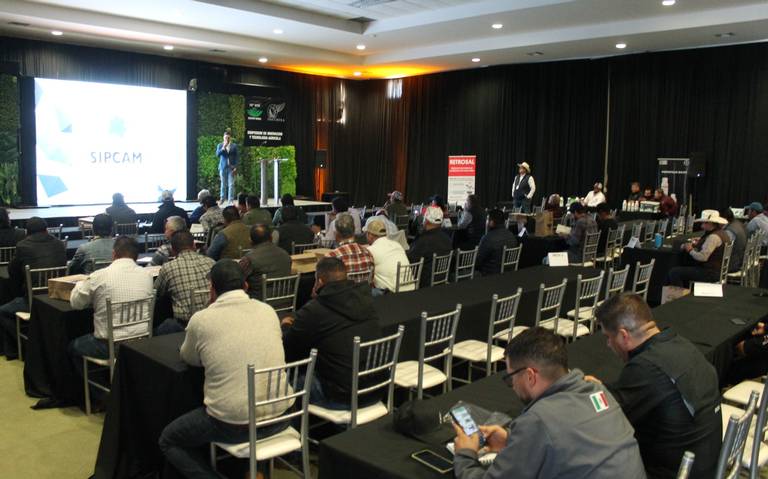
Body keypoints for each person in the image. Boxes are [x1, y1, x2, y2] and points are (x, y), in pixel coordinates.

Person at [452, 327, 646, 479]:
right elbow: (570, 439)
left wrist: (465, 454)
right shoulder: (597, 390)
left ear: (530, 376)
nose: (512, 386)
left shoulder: (538, 420)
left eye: (510, 378)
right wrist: (513, 440)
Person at [159, 260, 291, 478]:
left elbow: (189, 358)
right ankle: (253, 470)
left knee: (169, 440)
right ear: (246, 286)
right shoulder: (268, 311)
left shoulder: (202, 319)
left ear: (212, 289)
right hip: (281, 416)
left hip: (234, 425)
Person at [589, 293, 721, 478]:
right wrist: (603, 387)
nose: (608, 344)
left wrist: (592, 391)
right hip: (709, 463)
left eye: (609, 337)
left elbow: (608, 416)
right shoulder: (682, 344)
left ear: (624, 335)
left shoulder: (644, 367)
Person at [281, 257, 382, 408]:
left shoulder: (315, 309)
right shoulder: (366, 300)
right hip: (377, 388)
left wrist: (285, 327)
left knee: (287, 381)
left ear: (319, 282)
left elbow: (288, 348)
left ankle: (295, 423)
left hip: (343, 397)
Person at [68, 237, 154, 375]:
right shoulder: (147, 275)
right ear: (136, 256)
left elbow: (76, 304)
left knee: (73, 346)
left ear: (113, 254)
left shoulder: (99, 276)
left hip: (110, 346)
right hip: (142, 342)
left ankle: (98, 386)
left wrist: (79, 285)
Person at [0, 217, 66, 358]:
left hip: (33, 300)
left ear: (27, 232)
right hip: (57, 298)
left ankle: (25, 346)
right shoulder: (60, 244)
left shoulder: (23, 246)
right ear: (46, 230)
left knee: (2, 311)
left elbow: (12, 271)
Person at [155, 231, 215, 335]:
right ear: (194, 245)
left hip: (184, 326)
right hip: (212, 320)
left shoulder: (168, 268)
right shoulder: (212, 262)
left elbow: (156, 292)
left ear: (173, 250)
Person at [667, 210, 729, 288]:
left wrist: (690, 250)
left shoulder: (713, 237)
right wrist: (701, 243)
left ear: (710, 223)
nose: (702, 225)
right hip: (717, 270)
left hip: (709, 272)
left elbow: (703, 257)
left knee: (674, 272)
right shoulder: (722, 233)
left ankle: (680, 294)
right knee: (683, 267)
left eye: (703, 223)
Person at [239, 224, 291, 299]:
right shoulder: (286, 254)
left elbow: (237, 280)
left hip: (258, 303)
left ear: (250, 240)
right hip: (286, 301)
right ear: (271, 237)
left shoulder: (248, 259)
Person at [407, 207, 453, 286]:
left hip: (424, 283)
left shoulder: (423, 241)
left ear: (426, 220)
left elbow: (411, 260)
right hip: (442, 280)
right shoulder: (447, 239)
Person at [366, 219, 411, 294]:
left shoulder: (371, 250)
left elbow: (368, 277)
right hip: (410, 288)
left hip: (391, 294)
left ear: (370, 235)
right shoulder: (397, 244)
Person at [327, 213, 375, 277]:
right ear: (354, 230)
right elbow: (371, 279)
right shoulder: (368, 254)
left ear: (337, 234)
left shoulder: (331, 257)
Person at [476, 208, 518, 276]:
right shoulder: (511, 235)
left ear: (492, 222)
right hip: (509, 273)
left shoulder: (488, 238)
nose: (486, 222)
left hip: (490, 274)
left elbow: (478, 261)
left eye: (487, 219)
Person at [721, 208, 747, 273]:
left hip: (732, 264)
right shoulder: (739, 223)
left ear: (724, 219)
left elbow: (723, 249)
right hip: (740, 259)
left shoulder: (729, 231)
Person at [216, 130, 238, 203]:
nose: (227, 139)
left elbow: (236, 157)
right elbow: (217, 154)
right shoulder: (220, 145)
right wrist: (223, 147)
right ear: (223, 137)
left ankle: (230, 200)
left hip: (231, 168)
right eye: (225, 137)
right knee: (223, 184)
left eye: (228, 137)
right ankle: (222, 199)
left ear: (230, 138)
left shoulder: (234, 146)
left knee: (231, 184)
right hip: (222, 167)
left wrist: (235, 167)